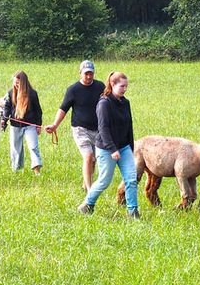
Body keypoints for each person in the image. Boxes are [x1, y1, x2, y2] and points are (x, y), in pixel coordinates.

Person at [78, 71, 138, 218]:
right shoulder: (104, 103)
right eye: (122, 86)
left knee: (131, 179)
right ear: (112, 84)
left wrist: (131, 147)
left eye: (126, 86)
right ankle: (87, 204)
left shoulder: (125, 103)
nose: (125, 89)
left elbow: (129, 125)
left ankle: (133, 212)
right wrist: (112, 149)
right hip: (106, 149)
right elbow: (103, 129)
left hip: (124, 148)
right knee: (104, 180)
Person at [45, 60, 105, 191]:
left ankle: (85, 184)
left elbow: (109, 103)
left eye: (91, 73)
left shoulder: (100, 87)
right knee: (88, 157)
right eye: (86, 74)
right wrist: (55, 125)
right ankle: (90, 190)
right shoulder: (73, 90)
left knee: (93, 161)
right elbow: (63, 109)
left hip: (98, 129)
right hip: (80, 129)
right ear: (80, 73)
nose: (89, 76)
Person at [4, 71, 43, 174]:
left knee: (33, 147)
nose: (16, 85)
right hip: (15, 126)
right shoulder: (10, 93)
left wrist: (39, 125)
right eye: (15, 83)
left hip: (30, 125)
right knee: (15, 150)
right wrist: (4, 120)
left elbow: (38, 111)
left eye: (18, 83)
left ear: (24, 83)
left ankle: (37, 172)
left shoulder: (32, 94)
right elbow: (7, 108)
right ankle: (16, 171)